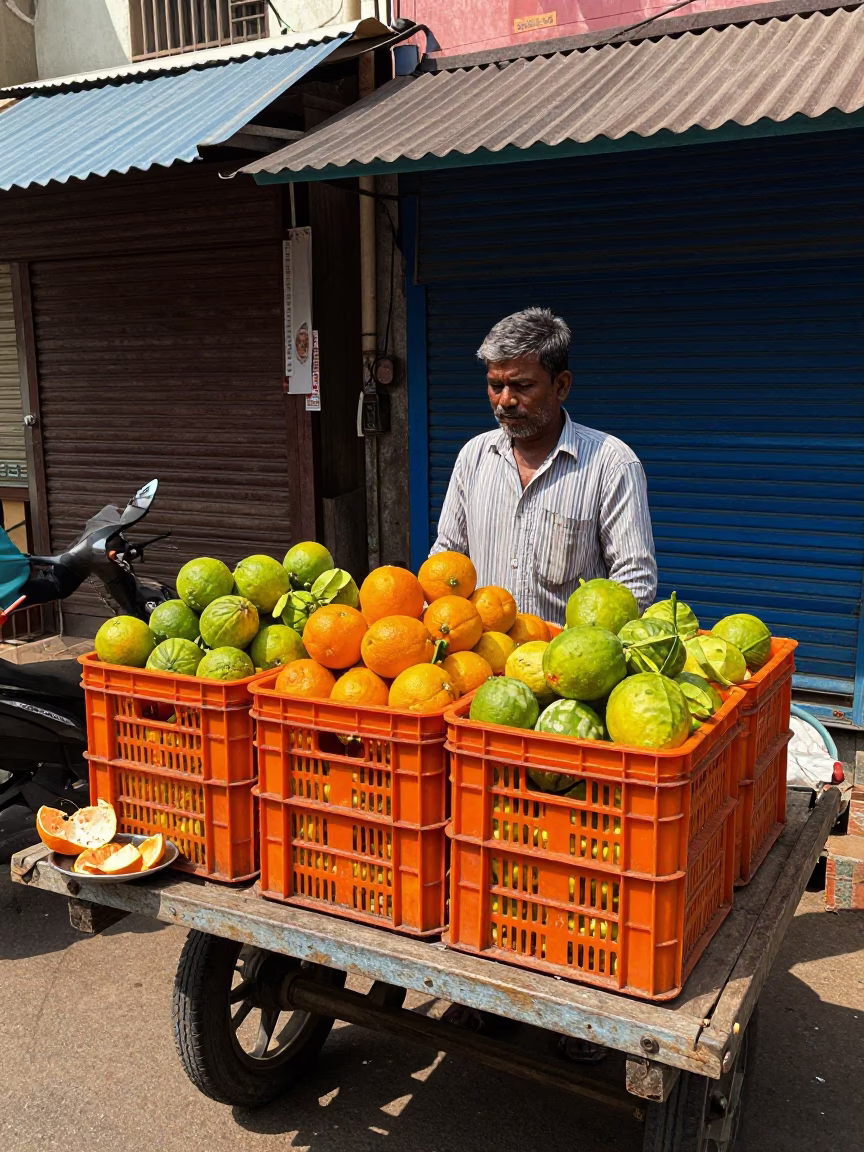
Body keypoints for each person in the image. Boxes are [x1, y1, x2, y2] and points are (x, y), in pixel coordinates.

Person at [431, 306, 657, 622]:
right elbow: (446, 558)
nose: (505, 400)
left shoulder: (611, 464)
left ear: (561, 386)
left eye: (522, 386)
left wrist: (584, 646)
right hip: (483, 662)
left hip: (569, 663)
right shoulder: (474, 456)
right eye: (496, 386)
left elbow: (634, 583)